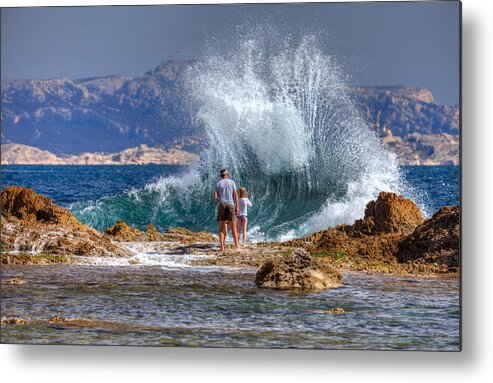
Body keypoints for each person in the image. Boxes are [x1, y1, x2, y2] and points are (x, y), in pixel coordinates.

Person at [214, 168, 240, 252]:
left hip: (222, 204)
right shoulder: (232, 182)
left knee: (221, 227)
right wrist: (237, 207)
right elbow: (236, 195)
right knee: (233, 227)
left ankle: (222, 247)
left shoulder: (217, 184)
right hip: (230, 204)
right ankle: (237, 246)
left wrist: (220, 201)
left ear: (220, 176)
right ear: (227, 175)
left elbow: (215, 198)